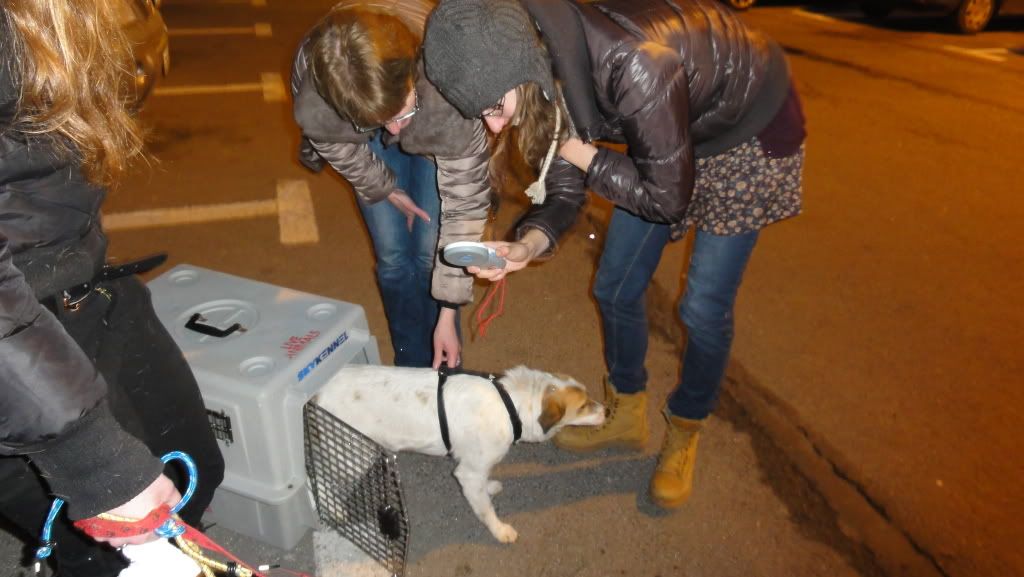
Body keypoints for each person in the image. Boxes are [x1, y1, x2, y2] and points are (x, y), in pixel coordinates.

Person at [424, 0, 806, 508]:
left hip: (745, 130)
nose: (496, 129)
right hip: (674, 122)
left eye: (495, 109)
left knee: (703, 308)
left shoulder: (633, 64)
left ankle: (686, 427)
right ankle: (627, 414)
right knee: (615, 286)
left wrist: (580, 152)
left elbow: (664, 197)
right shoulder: (532, 68)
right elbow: (564, 193)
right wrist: (526, 244)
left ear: (513, 67)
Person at [0, 1, 225, 575]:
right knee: (101, 547)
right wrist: (92, 458)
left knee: (192, 471)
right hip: (16, 337)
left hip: (86, 285)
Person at [291, 0, 493, 369]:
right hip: (376, 111)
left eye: (400, 115)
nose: (395, 132)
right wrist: (383, 186)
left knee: (429, 251)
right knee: (393, 258)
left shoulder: (449, 78)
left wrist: (448, 312)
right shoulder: (318, 81)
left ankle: (444, 367)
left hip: (434, 116)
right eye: (381, 122)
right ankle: (410, 361)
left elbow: (464, 205)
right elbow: (328, 138)